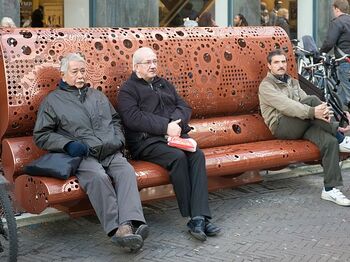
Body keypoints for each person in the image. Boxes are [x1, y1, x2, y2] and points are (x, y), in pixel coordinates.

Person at [33, 53, 149, 252]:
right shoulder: (52, 101)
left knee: (126, 171)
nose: (80, 75)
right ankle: (117, 230)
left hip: (110, 150)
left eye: (83, 71)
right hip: (83, 155)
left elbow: (115, 120)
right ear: (63, 74)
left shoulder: (97, 95)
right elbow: (42, 135)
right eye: (75, 71)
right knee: (98, 177)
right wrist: (68, 144)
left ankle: (130, 223)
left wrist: (118, 139)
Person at [117, 47, 221, 241]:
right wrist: (165, 127)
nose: (153, 65)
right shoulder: (128, 90)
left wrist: (174, 123)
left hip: (173, 137)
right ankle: (193, 217)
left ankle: (199, 217)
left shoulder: (164, 84)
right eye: (148, 62)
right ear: (136, 66)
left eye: (155, 61)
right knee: (178, 157)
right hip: (146, 142)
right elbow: (133, 118)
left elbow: (184, 106)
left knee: (197, 154)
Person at [259, 49, 350, 207]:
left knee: (329, 142)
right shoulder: (266, 86)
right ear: (269, 66)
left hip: (302, 122)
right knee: (314, 100)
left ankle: (330, 189)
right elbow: (287, 106)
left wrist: (324, 112)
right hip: (282, 127)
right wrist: (313, 111)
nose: (281, 65)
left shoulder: (292, 81)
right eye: (276, 62)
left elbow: (303, 99)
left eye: (283, 62)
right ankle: (341, 137)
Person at [320, 0, 350, 108]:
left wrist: (320, 53)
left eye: (333, 10)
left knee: (346, 96)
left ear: (337, 9)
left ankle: (343, 120)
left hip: (345, 63)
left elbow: (329, 42)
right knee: (344, 94)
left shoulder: (337, 22)